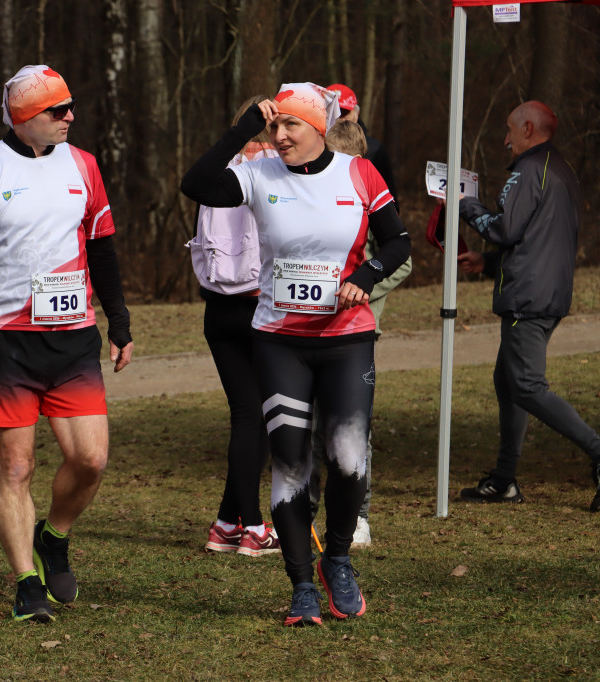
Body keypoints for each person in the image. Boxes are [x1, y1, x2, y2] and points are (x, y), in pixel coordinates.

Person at [181, 83, 410, 626]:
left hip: (346, 338)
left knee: (349, 460)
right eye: (275, 125)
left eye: (291, 126)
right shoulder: (258, 173)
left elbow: (397, 241)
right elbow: (196, 183)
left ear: (319, 128)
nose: (279, 136)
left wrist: (365, 276)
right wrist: (243, 130)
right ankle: (302, 585)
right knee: (289, 462)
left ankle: (337, 559)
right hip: (279, 340)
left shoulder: (359, 173)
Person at [0, 65, 133, 623]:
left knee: (91, 458)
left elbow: (102, 247)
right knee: (16, 467)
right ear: (27, 117)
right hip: (7, 342)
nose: (70, 116)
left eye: (70, 106)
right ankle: (26, 580)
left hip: (73, 339)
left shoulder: (85, 166)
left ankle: (54, 535)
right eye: (58, 110)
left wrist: (118, 322)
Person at [456, 100, 600, 512]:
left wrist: (463, 204)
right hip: (546, 293)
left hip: (528, 298)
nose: (505, 138)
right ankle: (503, 480)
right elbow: (538, 238)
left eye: (510, 130)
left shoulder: (529, 170)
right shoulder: (561, 170)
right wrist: (488, 263)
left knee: (526, 385)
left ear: (528, 128)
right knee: (508, 382)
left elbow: (506, 228)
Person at [307, 119, 414, 548]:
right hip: (310, 333)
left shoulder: (368, 198)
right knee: (311, 428)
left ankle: (360, 517)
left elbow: (400, 260)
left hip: (356, 335)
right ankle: (306, 512)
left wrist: (362, 289)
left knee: (354, 431)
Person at [190, 95, 279, 558]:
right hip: (258, 306)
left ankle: (227, 523)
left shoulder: (219, 168)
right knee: (256, 418)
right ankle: (256, 527)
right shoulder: (271, 170)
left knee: (248, 415)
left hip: (217, 309)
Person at [327, 83, 398, 203]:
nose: (338, 118)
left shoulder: (375, 149)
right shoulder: (309, 148)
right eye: (332, 112)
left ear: (356, 113)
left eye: (343, 113)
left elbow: (390, 200)